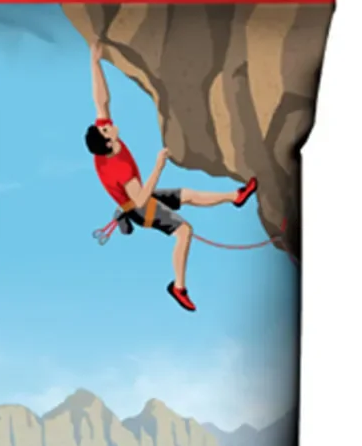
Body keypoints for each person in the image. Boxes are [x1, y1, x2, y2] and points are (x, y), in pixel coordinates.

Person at [85, 41, 257, 312]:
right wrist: (158, 166)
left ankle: (235, 197)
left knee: (186, 195)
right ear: (108, 143)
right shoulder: (120, 170)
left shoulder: (105, 143)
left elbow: (101, 102)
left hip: (134, 198)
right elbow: (141, 200)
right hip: (137, 206)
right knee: (184, 232)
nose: (107, 126)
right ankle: (178, 287)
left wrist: (94, 63)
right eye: (106, 131)